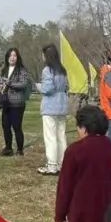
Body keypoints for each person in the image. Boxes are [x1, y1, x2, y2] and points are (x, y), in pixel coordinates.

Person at [37, 44, 70, 175]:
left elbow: (48, 89)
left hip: (50, 106)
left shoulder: (47, 70)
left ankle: (51, 165)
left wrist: (38, 86)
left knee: (50, 136)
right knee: (61, 135)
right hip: (62, 105)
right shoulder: (62, 70)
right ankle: (62, 163)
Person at [0, 47, 31, 157]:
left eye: (14, 55)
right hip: (6, 102)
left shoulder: (22, 70)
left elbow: (23, 84)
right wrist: (0, 85)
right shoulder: (4, 69)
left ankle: (19, 149)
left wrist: (10, 83)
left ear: (17, 57)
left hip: (17, 103)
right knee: (5, 126)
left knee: (17, 127)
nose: (12, 58)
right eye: (10, 55)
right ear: (7, 57)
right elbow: (0, 81)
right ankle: (8, 148)